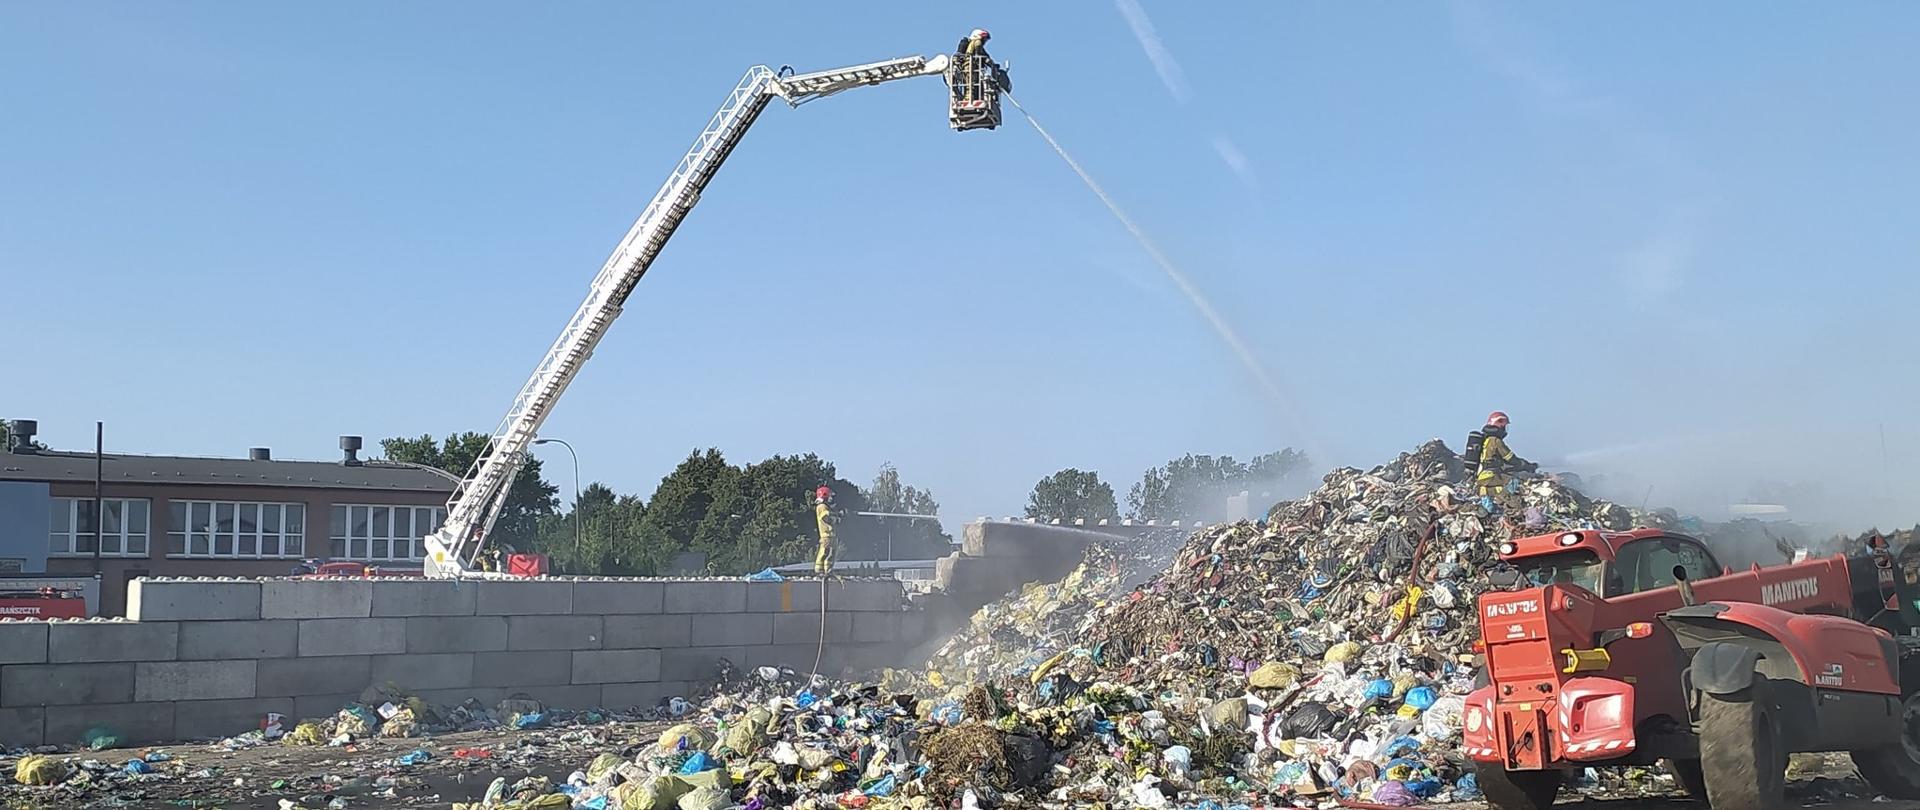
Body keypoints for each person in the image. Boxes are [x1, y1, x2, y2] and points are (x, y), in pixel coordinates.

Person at [1475, 411, 1537, 508]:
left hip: (1482, 476)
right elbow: (1510, 458)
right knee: (1513, 481)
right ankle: (1512, 504)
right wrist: (1526, 465)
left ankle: (1486, 496)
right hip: (1492, 475)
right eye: (1504, 426)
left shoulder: (1486, 441)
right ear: (1499, 426)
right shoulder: (1496, 441)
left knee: (1491, 503)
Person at [813, 485, 841, 576]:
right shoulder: (821, 506)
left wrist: (839, 515)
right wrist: (837, 516)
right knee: (824, 552)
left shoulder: (827, 507)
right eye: (829, 496)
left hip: (831, 535)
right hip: (826, 535)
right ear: (824, 495)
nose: (831, 498)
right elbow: (826, 517)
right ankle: (819, 570)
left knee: (831, 553)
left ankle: (828, 570)